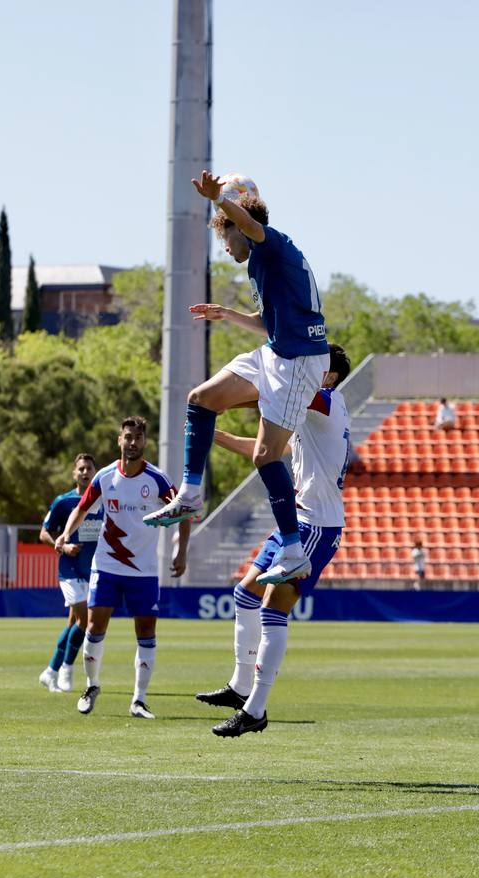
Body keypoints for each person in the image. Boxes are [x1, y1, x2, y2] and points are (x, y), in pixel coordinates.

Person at [143, 172, 329, 590]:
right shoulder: (262, 263)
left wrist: (218, 202)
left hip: (300, 361)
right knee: (201, 398)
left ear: (236, 222)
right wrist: (228, 315)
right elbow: (269, 323)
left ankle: (295, 552)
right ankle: (191, 493)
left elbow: (249, 227)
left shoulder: (271, 242)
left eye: (224, 237)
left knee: (265, 457)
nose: (225, 248)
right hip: (279, 352)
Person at [195, 345, 352, 737]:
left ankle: (256, 709)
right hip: (297, 523)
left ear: (329, 376)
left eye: (317, 364)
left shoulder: (328, 400)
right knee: (245, 593)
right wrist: (218, 434)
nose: (308, 368)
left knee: (271, 609)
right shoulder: (312, 415)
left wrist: (219, 398)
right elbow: (271, 448)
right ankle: (240, 685)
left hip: (318, 526)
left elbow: (275, 390)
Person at [57, 416, 190, 719]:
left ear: (145, 442)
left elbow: (183, 514)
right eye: (128, 437)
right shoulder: (104, 477)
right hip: (106, 567)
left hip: (144, 570)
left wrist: (181, 552)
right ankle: (91, 686)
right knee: (94, 626)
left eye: (138, 438)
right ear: (119, 440)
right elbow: (81, 509)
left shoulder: (156, 479)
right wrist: (65, 533)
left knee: (145, 631)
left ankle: (138, 700)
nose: (133, 443)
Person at [37, 453, 104, 694]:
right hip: (69, 571)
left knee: (76, 623)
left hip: (94, 572)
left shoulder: (104, 501)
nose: (85, 472)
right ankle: (66, 668)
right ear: (74, 474)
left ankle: (50, 671)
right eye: (81, 469)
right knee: (85, 621)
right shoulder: (63, 502)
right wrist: (63, 546)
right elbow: (44, 533)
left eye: (89, 468)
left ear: (96, 473)